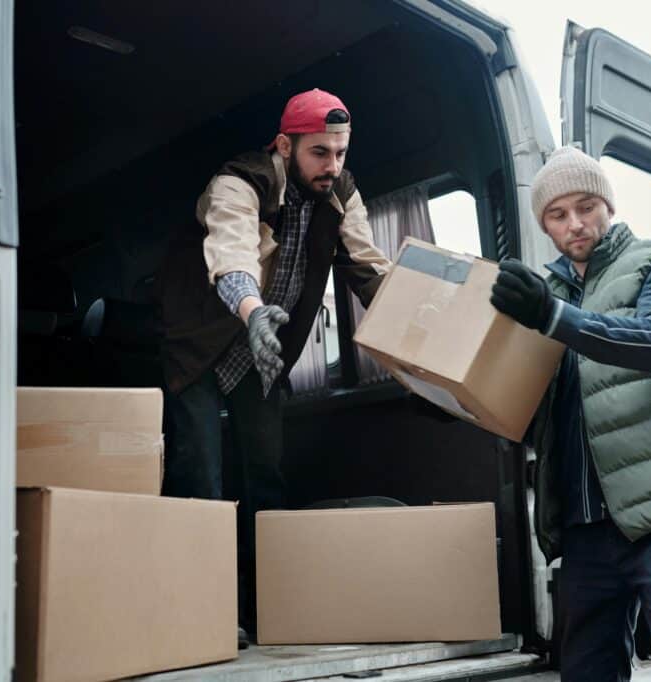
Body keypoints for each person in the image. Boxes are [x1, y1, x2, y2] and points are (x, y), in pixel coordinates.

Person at [490, 146, 651, 680]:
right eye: (557, 215)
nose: (575, 224)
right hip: (585, 532)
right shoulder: (546, 292)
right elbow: (533, 403)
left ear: (608, 205)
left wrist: (553, 315)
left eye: (586, 206)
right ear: (545, 225)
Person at [155, 88, 390, 642]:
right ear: (286, 145)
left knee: (266, 476)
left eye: (341, 152)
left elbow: (368, 267)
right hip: (205, 342)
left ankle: (269, 610)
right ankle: (204, 614)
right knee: (201, 478)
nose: (332, 166)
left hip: (264, 357)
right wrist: (253, 312)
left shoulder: (342, 194)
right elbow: (232, 252)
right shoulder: (239, 181)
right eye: (319, 153)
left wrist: (432, 330)